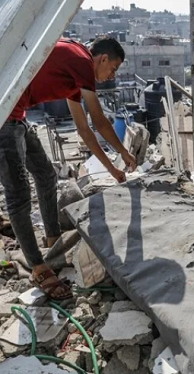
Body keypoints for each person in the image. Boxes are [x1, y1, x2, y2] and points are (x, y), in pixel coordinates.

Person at [0, 37, 137, 300]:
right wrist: (124, 152)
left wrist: (113, 169)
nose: (112, 76)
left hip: (16, 116)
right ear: (103, 58)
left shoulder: (75, 75)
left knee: (45, 174)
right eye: (114, 68)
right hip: (5, 116)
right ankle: (39, 268)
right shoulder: (82, 61)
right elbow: (99, 120)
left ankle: (53, 240)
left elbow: (84, 130)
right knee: (18, 197)